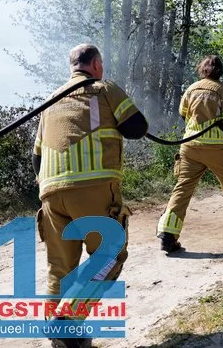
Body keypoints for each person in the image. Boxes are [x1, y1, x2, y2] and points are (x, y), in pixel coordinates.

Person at [33, 44, 148, 348]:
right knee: (109, 256)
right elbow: (137, 127)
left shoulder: (50, 101)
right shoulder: (104, 89)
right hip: (93, 188)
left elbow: (36, 157)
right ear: (96, 64)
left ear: (72, 67)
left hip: (50, 194)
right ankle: (68, 320)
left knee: (60, 267)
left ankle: (61, 339)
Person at [157, 55, 223, 253]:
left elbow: (183, 114)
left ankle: (168, 235)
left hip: (190, 147)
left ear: (201, 70)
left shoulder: (191, 89)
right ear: (220, 71)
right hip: (216, 150)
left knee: (182, 189)